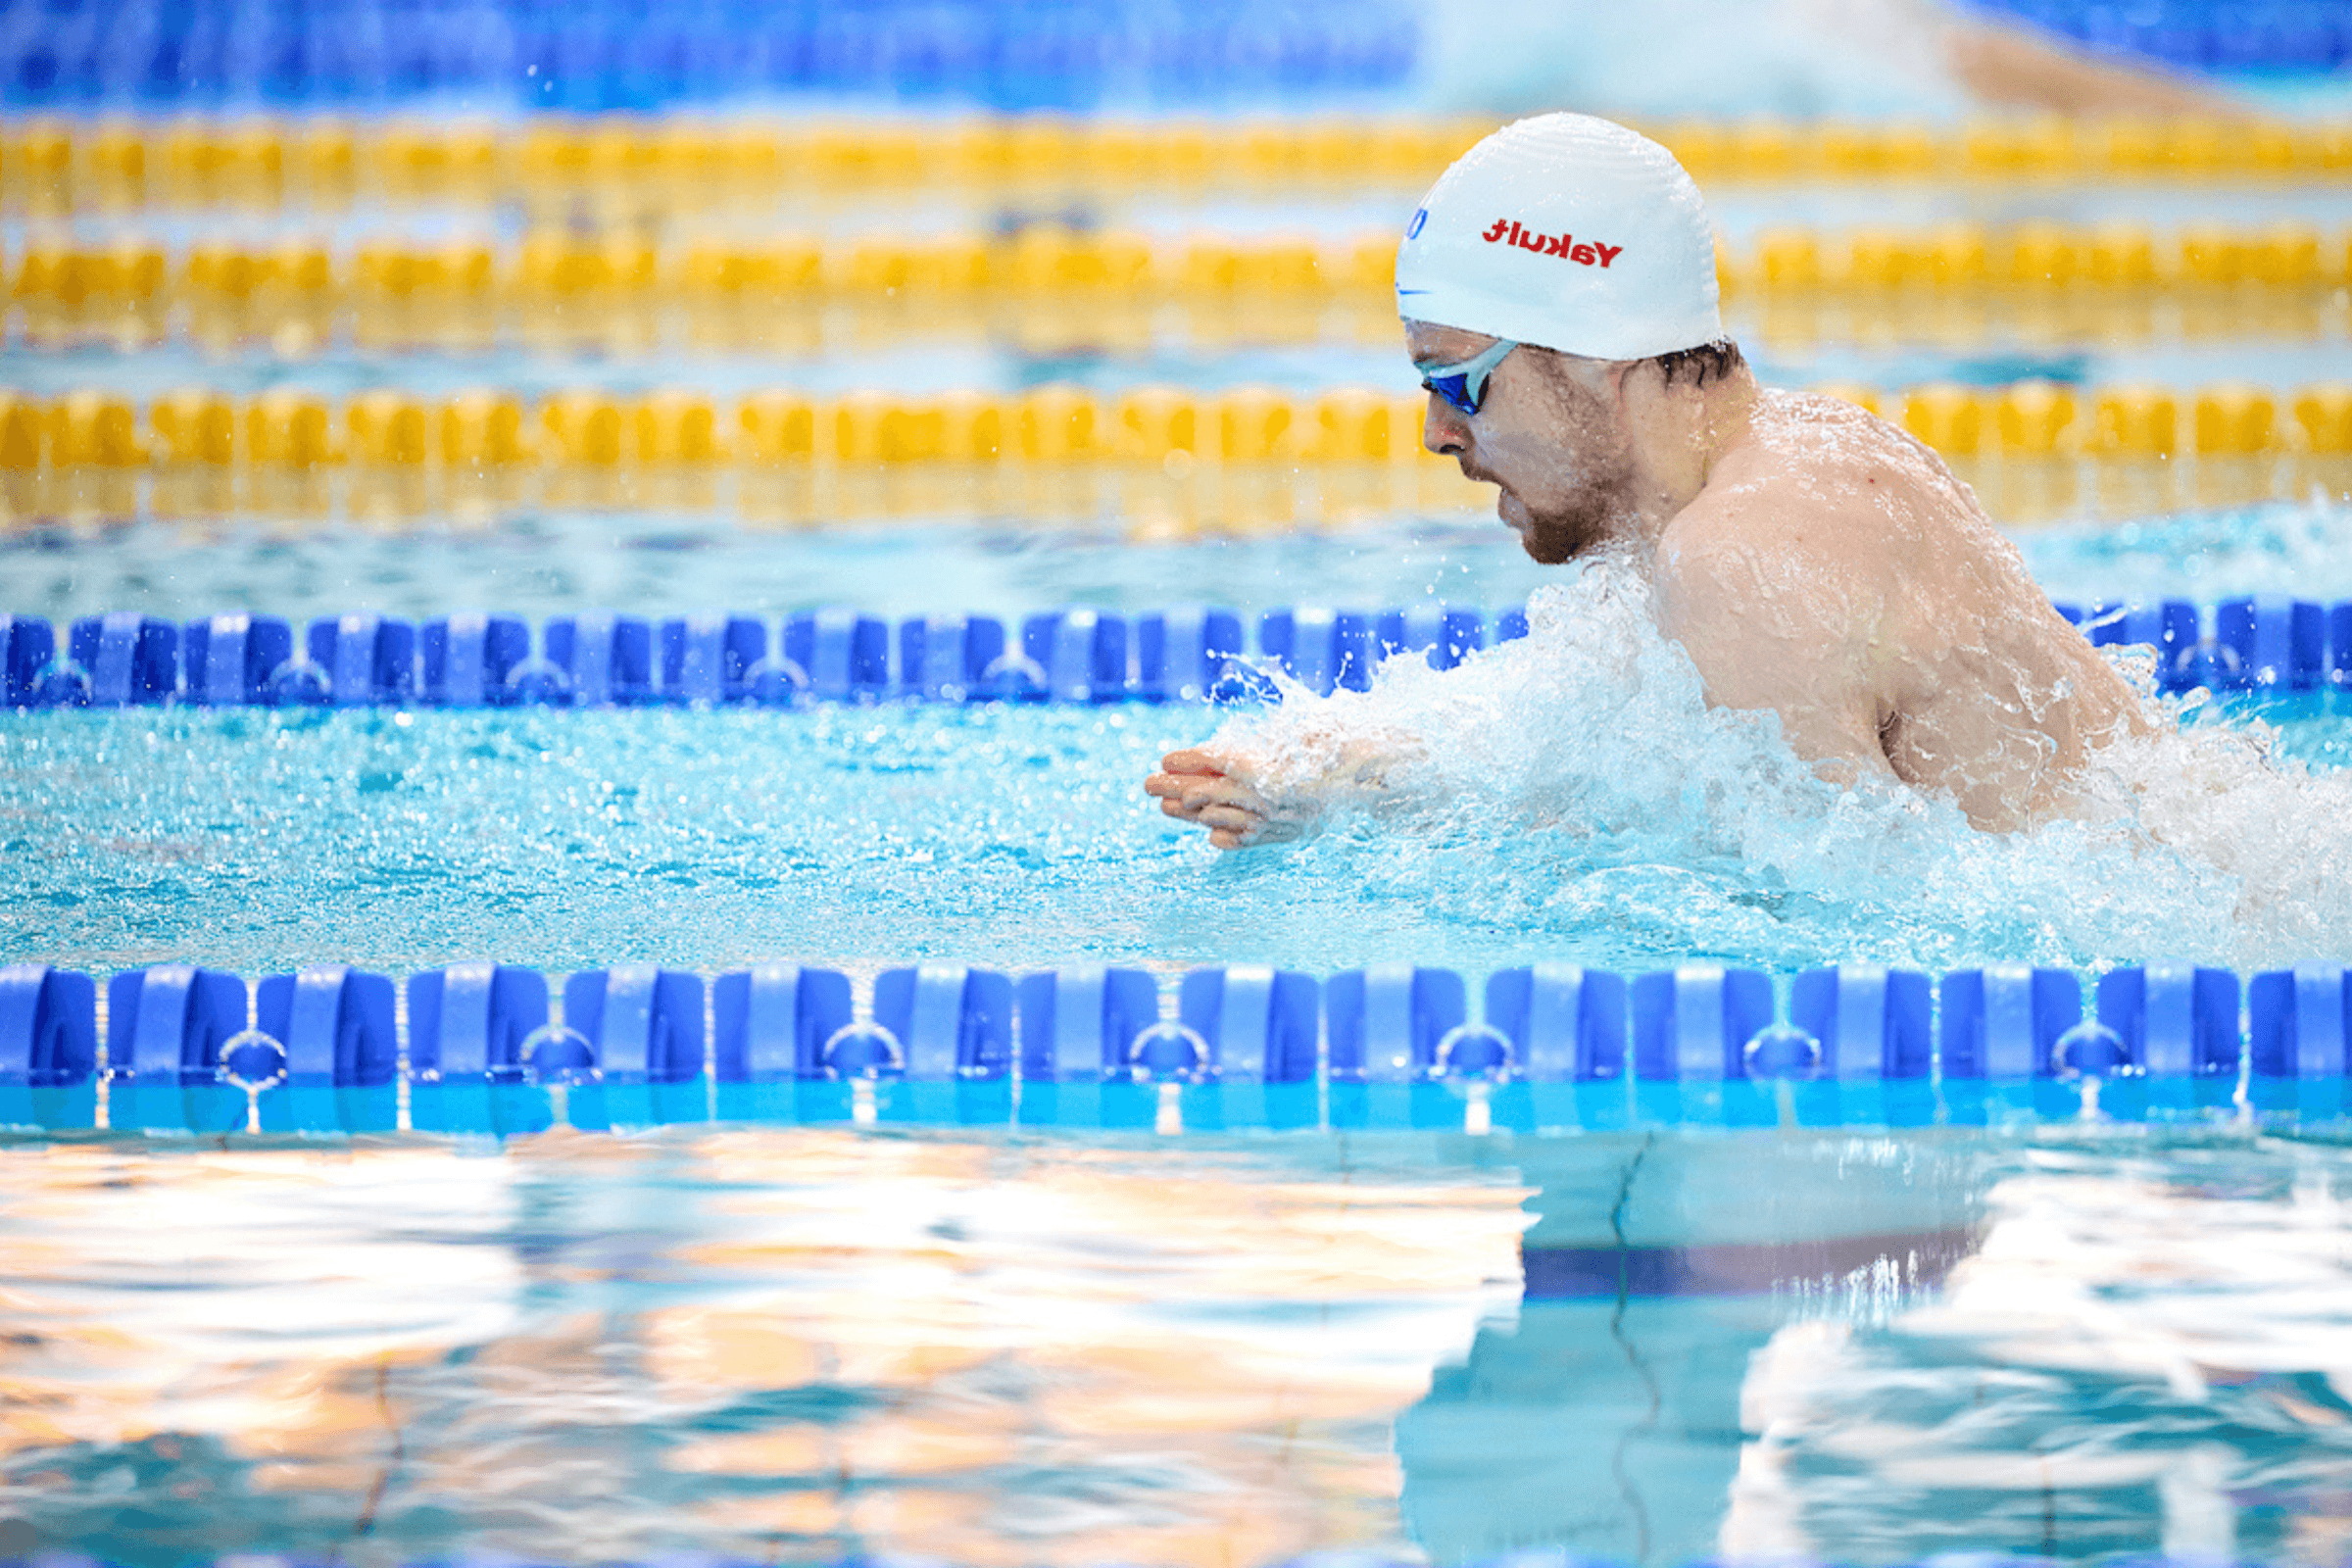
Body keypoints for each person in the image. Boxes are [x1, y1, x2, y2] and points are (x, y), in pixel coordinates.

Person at [1145, 112, 2145, 848]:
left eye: (1460, 382)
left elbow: (1836, 920)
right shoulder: (1790, 460)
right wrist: (1339, 779)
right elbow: (1596, 744)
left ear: (1593, 359)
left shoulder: (1745, 555)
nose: (1436, 431)